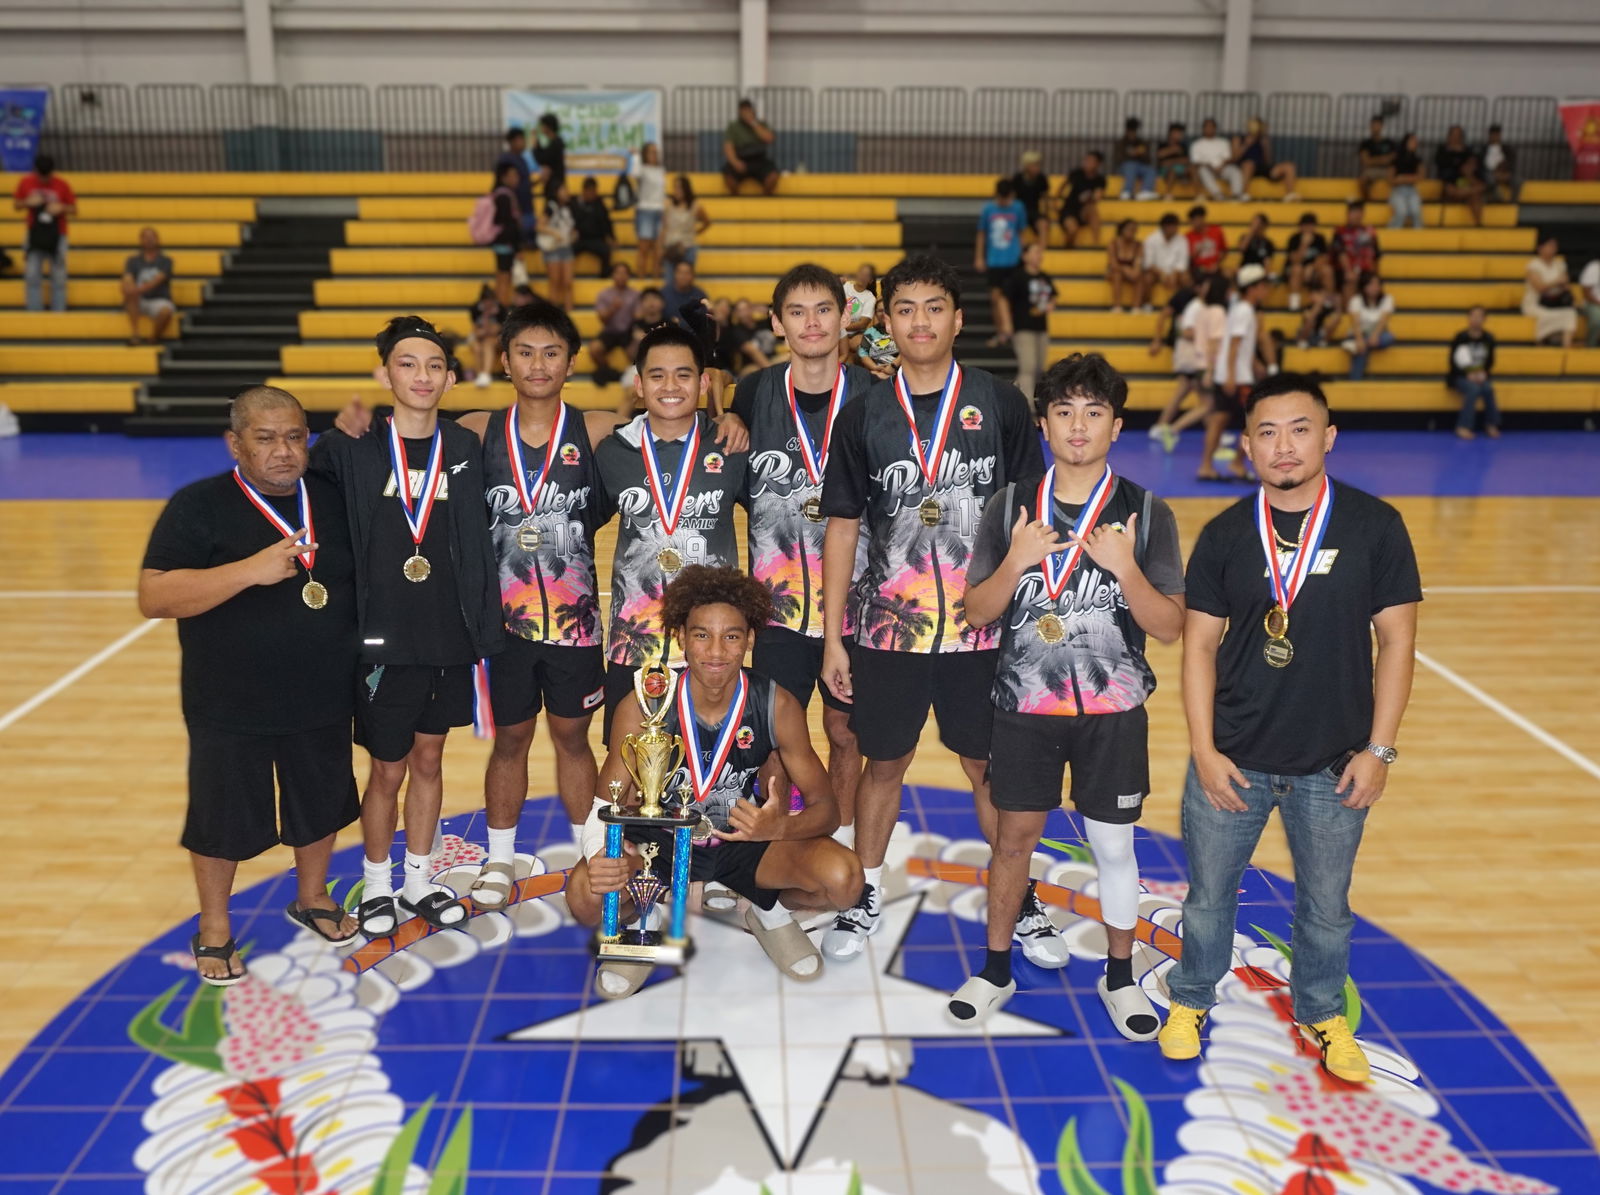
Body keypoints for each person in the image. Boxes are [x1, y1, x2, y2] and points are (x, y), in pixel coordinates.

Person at [1158, 371, 1421, 1086]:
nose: (1284, 445)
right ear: (1246, 447)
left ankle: (1321, 1010)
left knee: (1327, 907)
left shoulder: (1376, 525)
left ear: (1328, 437)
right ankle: (1190, 998)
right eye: (1267, 432)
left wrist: (1380, 749)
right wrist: (1204, 751)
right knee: (1209, 897)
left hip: (1335, 763)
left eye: (1300, 428)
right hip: (1233, 758)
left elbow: (1397, 641)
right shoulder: (1222, 535)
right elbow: (1199, 648)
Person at [818, 254, 1056, 966]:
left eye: (934, 307)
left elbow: (1032, 514)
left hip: (983, 629)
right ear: (885, 322)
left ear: (957, 318)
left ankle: (1022, 893)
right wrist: (834, 637)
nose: (919, 321)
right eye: (905, 308)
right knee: (882, 763)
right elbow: (841, 527)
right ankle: (864, 890)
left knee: (988, 768)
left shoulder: (1002, 403)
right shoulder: (862, 414)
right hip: (888, 628)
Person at [947, 353, 1186, 1035]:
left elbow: (1169, 625)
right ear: (1045, 424)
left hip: (1114, 712)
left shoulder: (1145, 510)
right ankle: (994, 968)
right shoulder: (1010, 504)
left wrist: (1127, 569)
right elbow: (977, 610)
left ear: (1116, 425)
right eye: (1064, 411)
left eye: (1094, 412)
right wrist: (1018, 560)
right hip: (1023, 708)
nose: (1079, 426)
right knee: (1013, 842)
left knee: (1115, 846)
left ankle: (1119, 977)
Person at [139, 386, 360, 984]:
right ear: (235, 443)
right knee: (221, 817)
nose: (284, 452)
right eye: (265, 439)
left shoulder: (334, 499)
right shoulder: (199, 505)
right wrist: (249, 571)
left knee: (322, 799)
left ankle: (313, 898)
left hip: (322, 690)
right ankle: (214, 929)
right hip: (227, 698)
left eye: (294, 437)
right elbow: (153, 597)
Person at [569, 566, 863, 999]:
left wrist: (778, 828)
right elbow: (604, 802)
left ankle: (768, 912)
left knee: (845, 881)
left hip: (744, 843)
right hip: (658, 846)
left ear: (749, 640)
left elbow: (827, 808)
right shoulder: (645, 703)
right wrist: (601, 854)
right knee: (583, 897)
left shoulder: (775, 704)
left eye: (732, 636)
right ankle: (645, 920)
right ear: (682, 638)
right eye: (702, 635)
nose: (716, 651)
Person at [310, 316, 504, 937]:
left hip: (448, 635)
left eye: (433, 366)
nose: (421, 376)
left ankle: (419, 880)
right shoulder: (351, 446)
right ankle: (375, 885)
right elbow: (308, 500)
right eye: (407, 364)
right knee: (387, 768)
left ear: (450, 378)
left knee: (428, 757)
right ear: (384, 373)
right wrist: (332, 428)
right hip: (381, 639)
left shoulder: (466, 449)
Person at [730, 263, 875, 841]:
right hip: (776, 608)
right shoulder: (752, 393)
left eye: (823, 310)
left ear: (845, 317)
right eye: (797, 312)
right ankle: (771, 843)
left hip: (860, 604)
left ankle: (830, 843)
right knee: (773, 735)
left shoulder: (875, 395)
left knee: (845, 733)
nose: (811, 323)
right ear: (776, 323)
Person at [594, 323, 750, 739]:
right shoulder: (614, 452)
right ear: (639, 385)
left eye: (683, 374)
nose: (670, 385)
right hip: (633, 643)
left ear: (702, 383)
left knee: (710, 766)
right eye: (657, 375)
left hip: (711, 647)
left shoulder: (730, 446)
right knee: (628, 765)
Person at [1199, 264, 1275, 483]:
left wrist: (1254, 363)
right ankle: (1237, 462)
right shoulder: (1245, 311)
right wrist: (1233, 375)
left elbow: (1239, 345)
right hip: (1238, 378)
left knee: (1219, 419)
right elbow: (1233, 345)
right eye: (1263, 286)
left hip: (1230, 374)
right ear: (1252, 288)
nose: (1266, 291)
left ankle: (1206, 466)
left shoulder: (1240, 309)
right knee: (1256, 420)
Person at [1149, 274, 1227, 452]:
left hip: (1197, 358)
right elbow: (1187, 332)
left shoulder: (1203, 308)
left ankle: (1215, 440)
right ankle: (1171, 429)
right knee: (1207, 404)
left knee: (1201, 400)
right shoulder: (1203, 309)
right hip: (1196, 358)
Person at [12, 154, 76, 313]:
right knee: (32, 275)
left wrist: (61, 207)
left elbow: (74, 209)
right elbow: (16, 204)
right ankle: (35, 314)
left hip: (58, 234)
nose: (44, 180)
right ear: (35, 171)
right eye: (41, 176)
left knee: (59, 276)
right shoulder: (26, 182)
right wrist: (27, 202)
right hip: (34, 234)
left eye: (47, 176)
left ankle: (58, 313)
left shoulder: (62, 184)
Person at [976, 178, 1027, 346]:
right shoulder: (989, 209)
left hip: (1013, 260)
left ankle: (1013, 333)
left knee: (1012, 299)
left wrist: (1023, 256)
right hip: (995, 260)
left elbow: (1021, 232)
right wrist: (979, 257)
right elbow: (982, 233)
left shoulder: (1018, 207)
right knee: (995, 297)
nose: (1004, 202)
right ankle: (1001, 332)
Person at [1005, 241, 1057, 398]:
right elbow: (1004, 300)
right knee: (1028, 366)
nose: (1038, 256)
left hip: (1041, 327)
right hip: (1023, 326)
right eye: (1034, 252)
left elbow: (1053, 296)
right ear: (1025, 256)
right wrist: (1007, 324)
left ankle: (1023, 397)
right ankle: (1025, 405)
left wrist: (1050, 304)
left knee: (1039, 368)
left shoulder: (1044, 276)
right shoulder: (1018, 276)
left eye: (1039, 252)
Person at [1447, 305, 1500, 440]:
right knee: (1473, 389)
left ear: (1484, 319)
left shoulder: (1489, 338)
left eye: (1479, 316)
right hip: (1459, 376)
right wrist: (1468, 375)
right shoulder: (1460, 337)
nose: (1476, 319)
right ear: (1468, 318)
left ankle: (1491, 424)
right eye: (1473, 316)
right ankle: (1463, 426)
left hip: (1480, 375)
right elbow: (1453, 363)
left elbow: (1489, 363)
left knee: (1488, 388)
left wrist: (1482, 374)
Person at [121, 226, 176, 346]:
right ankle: (135, 335)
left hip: (158, 298)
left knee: (166, 311)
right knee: (128, 291)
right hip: (139, 299)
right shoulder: (133, 260)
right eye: (146, 237)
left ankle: (153, 338)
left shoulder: (166, 261)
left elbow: (157, 280)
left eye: (152, 237)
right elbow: (128, 277)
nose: (149, 239)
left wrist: (136, 290)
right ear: (141, 240)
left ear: (157, 239)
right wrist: (128, 286)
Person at [589, 262, 640, 386]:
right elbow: (602, 319)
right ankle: (608, 371)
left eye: (624, 273)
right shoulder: (604, 294)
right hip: (610, 331)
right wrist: (613, 308)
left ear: (628, 276)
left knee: (636, 353)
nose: (621, 276)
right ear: (613, 275)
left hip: (628, 332)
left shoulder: (636, 295)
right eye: (618, 273)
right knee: (594, 349)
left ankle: (632, 377)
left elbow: (639, 318)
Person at [1522, 236, 1578, 349]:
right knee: (1545, 316)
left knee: (1570, 313)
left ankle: (1566, 346)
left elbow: (1566, 284)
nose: (1553, 249)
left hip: (1556, 302)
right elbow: (1540, 288)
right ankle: (1541, 344)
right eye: (1550, 246)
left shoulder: (1560, 264)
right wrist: (1557, 281)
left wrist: (1564, 285)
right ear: (1540, 248)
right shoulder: (1533, 266)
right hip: (1536, 303)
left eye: (1555, 246)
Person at [1343, 272, 1395, 380]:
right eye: (1371, 284)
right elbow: (1355, 323)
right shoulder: (1356, 300)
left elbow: (1383, 321)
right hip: (1358, 334)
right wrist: (1359, 339)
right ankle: (1355, 381)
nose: (1374, 288)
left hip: (1378, 335)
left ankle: (1355, 347)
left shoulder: (1388, 299)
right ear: (1364, 286)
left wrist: (1374, 336)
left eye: (1377, 284)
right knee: (1362, 349)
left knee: (1389, 337)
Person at [1234, 117, 1299, 201]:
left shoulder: (1263, 139)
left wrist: (1265, 146)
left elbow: (1268, 160)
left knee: (1289, 166)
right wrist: (1246, 144)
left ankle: (1290, 194)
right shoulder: (1238, 138)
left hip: (1262, 167)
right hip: (1246, 168)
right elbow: (1235, 158)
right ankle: (1244, 194)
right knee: (1249, 164)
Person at [723, 98, 780, 195]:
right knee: (729, 178)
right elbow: (728, 147)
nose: (745, 113)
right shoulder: (733, 126)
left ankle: (765, 199)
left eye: (748, 110)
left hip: (760, 160)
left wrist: (753, 123)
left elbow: (769, 138)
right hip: (741, 159)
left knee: (773, 176)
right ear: (739, 112)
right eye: (743, 110)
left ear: (752, 111)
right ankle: (736, 199)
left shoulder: (761, 124)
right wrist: (735, 162)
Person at [536, 182, 577, 310]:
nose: (566, 192)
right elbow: (539, 226)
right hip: (553, 248)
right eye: (563, 189)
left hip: (566, 247)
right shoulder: (550, 207)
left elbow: (570, 227)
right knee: (555, 282)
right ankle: (552, 316)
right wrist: (555, 234)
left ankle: (569, 312)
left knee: (568, 283)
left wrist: (573, 235)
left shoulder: (568, 208)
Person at [485, 163, 522, 306]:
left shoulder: (500, 194)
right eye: (513, 175)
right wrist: (517, 247)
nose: (516, 178)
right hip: (506, 244)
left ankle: (501, 306)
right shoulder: (505, 196)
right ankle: (502, 307)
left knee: (502, 276)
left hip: (501, 243)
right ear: (504, 177)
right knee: (504, 278)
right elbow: (509, 224)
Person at [662, 174, 711, 275]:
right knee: (670, 281)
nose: (677, 190)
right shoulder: (668, 205)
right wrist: (661, 247)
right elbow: (664, 227)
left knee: (686, 281)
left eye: (679, 187)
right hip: (671, 247)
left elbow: (707, 222)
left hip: (688, 247)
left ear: (686, 188)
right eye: (675, 187)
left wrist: (696, 232)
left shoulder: (695, 206)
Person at [1332, 202, 1381, 304]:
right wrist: (1349, 271)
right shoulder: (1340, 231)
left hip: (1365, 271)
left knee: (1373, 282)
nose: (1357, 215)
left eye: (1359, 212)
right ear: (1348, 214)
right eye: (1354, 212)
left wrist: (1375, 276)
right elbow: (1340, 253)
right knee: (1350, 280)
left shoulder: (1370, 232)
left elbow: (1376, 256)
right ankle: (1351, 314)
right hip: (1344, 271)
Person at [1285, 211, 1334, 313]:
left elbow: (1324, 258)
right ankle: (1294, 305)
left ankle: (1328, 303)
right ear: (1301, 227)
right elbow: (1294, 260)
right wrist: (1304, 245)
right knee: (1297, 269)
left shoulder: (1320, 239)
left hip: (1313, 270)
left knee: (1327, 270)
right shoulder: (1294, 239)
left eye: (1311, 226)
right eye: (1305, 226)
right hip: (1296, 271)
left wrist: (1312, 267)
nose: (1308, 229)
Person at [1057, 151, 1106, 250]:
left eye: (1091, 161)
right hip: (1069, 210)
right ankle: (1068, 247)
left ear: (1098, 164)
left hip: (1083, 210)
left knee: (1092, 210)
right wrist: (1056, 201)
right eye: (1086, 160)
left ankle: (1096, 245)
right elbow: (1063, 187)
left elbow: (1098, 196)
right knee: (1072, 229)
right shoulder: (1076, 174)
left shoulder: (1100, 180)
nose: (1087, 163)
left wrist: (1093, 196)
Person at [631, 142, 667, 277]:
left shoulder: (660, 170)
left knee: (658, 250)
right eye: (651, 152)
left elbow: (662, 191)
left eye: (656, 152)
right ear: (645, 154)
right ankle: (641, 278)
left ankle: (656, 278)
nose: (654, 154)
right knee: (644, 249)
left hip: (659, 210)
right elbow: (634, 174)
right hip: (645, 210)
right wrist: (635, 157)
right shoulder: (642, 169)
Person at [1142, 212, 1191, 307]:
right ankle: (1147, 304)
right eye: (1174, 226)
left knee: (1186, 278)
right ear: (1165, 227)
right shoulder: (1151, 239)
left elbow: (1182, 263)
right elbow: (1148, 263)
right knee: (1147, 278)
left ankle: (1183, 305)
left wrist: (1174, 274)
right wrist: (1161, 274)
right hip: (1156, 272)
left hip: (1175, 273)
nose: (1176, 229)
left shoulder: (1182, 240)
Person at [571, 176, 617, 277]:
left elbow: (606, 221)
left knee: (605, 251)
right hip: (579, 238)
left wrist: (611, 237)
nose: (592, 194)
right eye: (590, 191)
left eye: (594, 191)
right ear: (584, 190)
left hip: (595, 239)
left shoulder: (599, 203)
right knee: (566, 251)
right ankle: (567, 276)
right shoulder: (574, 203)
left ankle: (604, 277)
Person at [1189, 118, 1242, 202]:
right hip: (1207, 169)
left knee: (1235, 170)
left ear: (1215, 128)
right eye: (1207, 127)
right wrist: (1210, 167)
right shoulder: (1196, 144)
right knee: (1202, 170)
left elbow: (1228, 158)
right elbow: (1195, 162)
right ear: (1203, 129)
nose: (1209, 129)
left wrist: (1221, 166)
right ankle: (1218, 194)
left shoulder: (1223, 142)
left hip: (1222, 168)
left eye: (1211, 127)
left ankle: (1236, 195)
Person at [495, 127, 535, 238]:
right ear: (513, 141)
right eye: (522, 140)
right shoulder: (506, 160)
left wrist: (538, 181)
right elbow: (504, 186)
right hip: (515, 209)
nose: (524, 143)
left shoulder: (522, 160)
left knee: (529, 241)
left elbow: (525, 184)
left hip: (527, 207)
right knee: (518, 241)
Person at [467, 285, 506, 388]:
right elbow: (475, 330)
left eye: (490, 302)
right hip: (481, 338)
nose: (488, 305)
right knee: (477, 347)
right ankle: (479, 375)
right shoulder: (475, 308)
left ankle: (486, 374)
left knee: (488, 343)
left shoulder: (500, 309)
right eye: (486, 303)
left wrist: (489, 329)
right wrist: (482, 331)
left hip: (497, 339)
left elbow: (500, 329)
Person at [1011, 150, 1053, 245]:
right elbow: (1012, 198)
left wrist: (1047, 214)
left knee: (1043, 224)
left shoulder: (1041, 179)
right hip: (1019, 211)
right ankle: (1019, 252)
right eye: (1034, 165)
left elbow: (1045, 197)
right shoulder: (1017, 179)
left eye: (1038, 165)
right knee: (1016, 226)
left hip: (1034, 211)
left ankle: (1043, 252)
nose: (1037, 168)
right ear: (1027, 166)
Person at [1105, 218, 1145, 312]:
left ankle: (1136, 307)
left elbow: (1138, 264)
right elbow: (1113, 264)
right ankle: (1117, 306)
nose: (1132, 232)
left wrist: (1133, 272)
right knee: (1117, 274)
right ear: (1122, 230)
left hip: (1131, 272)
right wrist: (1125, 269)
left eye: (1134, 230)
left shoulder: (1138, 245)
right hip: (1115, 271)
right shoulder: (1113, 244)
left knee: (1140, 276)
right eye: (1130, 229)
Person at [1116, 118, 1159, 200]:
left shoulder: (1142, 142)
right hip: (1125, 167)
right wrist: (1131, 155)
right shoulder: (1121, 142)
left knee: (1151, 170)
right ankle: (1127, 191)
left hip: (1140, 166)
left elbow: (1148, 160)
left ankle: (1146, 191)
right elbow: (1118, 159)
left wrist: (1141, 154)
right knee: (1131, 165)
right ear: (1127, 131)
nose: (1132, 133)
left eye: (1134, 131)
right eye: (1131, 131)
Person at [1387, 133, 1424, 229]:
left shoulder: (1417, 159)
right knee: (1401, 212)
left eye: (1416, 141)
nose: (1415, 143)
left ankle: (1418, 237)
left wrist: (1403, 178)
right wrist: (1401, 180)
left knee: (1416, 212)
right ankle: (1392, 234)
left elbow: (1421, 176)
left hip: (1412, 190)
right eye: (1412, 141)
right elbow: (1391, 179)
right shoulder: (1396, 159)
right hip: (1398, 191)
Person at [661, 258, 710, 330]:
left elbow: (704, 318)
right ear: (674, 274)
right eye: (680, 272)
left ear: (693, 275)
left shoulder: (700, 295)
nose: (683, 276)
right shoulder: (663, 293)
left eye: (687, 273)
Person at [1356, 115, 1396, 203]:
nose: (1375, 127)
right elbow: (1366, 161)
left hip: (1387, 170)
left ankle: (1394, 201)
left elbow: (1393, 159)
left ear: (1382, 126)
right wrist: (1383, 159)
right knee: (1363, 180)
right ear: (1370, 126)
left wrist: (1373, 160)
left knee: (1397, 178)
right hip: (1372, 170)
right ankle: (1369, 201)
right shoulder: (1366, 143)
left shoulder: (1389, 143)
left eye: (1377, 124)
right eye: (1373, 124)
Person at [841, 262, 878, 357]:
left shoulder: (870, 298)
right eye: (861, 273)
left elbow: (862, 324)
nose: (862, 276)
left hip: (854, 334)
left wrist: (840, 328)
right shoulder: (844, 286)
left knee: (861, 345)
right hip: (835, 330)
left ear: (870, 280)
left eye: (867, 275)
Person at [1442, 153, 1487, 228]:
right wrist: (1470, 190)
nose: (1471, 166)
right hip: (1454, 199)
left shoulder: (1478, 175)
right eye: (1469, 163)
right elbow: (1450, 190)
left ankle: (1478, 224)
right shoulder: (1454, 174)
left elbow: (1482, 187)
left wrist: (1469, 176)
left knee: (1475, 197)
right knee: (1472, 194)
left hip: (1469, 198)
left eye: (1473, 164)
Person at [1185, 204, 1227, 284]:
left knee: (1228, 274)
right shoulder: (1188, 237)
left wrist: (1216, 263)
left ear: (1202, 218)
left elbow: (1223, 251)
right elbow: (1188, 259)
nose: (1193, 224)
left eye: (1195, 220)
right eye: (1192, 221)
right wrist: (1195, 253)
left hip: (1215, 268)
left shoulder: (1216, 231)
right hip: (1198, 270)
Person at [532, 113, 566, 202]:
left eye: (543, 126)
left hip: (555, 188)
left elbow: (542, 159)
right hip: (552, 186)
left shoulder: (556, 144)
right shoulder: (554, 143)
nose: (541, 128)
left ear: (548, 127)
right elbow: (544, 157)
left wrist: (535, 146)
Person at [1156, 123, 1193, 199]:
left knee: (1193, 168)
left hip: (1181, 169)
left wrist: (1172, 161)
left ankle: (1198, 194)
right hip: (1165, 170)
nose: (1180, 135)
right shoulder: (1163, 144)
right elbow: (1161, 159)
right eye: (1178, 133)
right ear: (1171, 133)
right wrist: (1173, 150)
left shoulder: (1183, 146)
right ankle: (1167, 194)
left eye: (1181, 133)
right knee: (1173, 170)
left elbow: (1186, 160)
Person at [1482, 124, 1517, 203]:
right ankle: (1496, 199)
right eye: (1493, 134)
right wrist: (1494, 174)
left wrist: (1507, 173)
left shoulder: (1507, 149)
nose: (1495, 137)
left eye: (1497, 134)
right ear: (1489, 135)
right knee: (1489, 179)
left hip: (1504, 172)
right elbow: (1481, 165)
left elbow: (1511, 163)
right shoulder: (1483, 149)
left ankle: (1513, 201)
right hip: (1489, 173)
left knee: (1517, 180)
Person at [1236, 211, 1275, 276]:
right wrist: (1251, 232)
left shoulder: (1268, 243)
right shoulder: (1245, 238)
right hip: (1244, 269)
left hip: (1259, 271)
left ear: (1264, 226)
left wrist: (1265, 275)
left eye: (1258, 223)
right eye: (1253, 222)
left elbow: (1267, 263)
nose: (1255, 226)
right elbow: (1241, 250)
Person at [1433, 125, 1471, 191]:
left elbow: (1470, 164)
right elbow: (1440, 163)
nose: (1456, 137)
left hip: (1462, 179)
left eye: (1458, 135)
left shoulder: (1466, 151)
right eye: (1454, 134)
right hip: (1447, 180)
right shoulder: (1442, 150)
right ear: (1449, 136)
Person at [1580, 256, 1600, 347]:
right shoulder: (1594, 267)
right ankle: (1590, 346)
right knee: (1597, 319)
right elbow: (1586, 293)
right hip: (1593, 303)